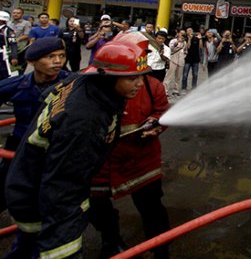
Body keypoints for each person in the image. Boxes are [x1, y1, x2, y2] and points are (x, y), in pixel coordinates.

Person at [4, 41, 151, 259]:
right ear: (106, 76)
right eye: (131, 77)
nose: (140, 84)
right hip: (40, 196)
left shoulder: (81, 81)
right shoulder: (85, 121)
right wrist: (63, 244)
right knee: (50, 249)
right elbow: (62, 187)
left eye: (141, 76)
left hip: (29, 183)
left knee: (26, 248)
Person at [89, 33, 170, 258]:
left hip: (142, 161)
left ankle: (161, 250)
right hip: (101, 163)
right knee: (96, 208)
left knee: (152, 209)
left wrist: (156, 125)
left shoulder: (153, 86)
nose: (136, 81)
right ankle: (111, 241)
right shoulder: (91, 89)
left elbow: (162, 112)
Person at [0, 37, 69, 211]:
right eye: (50, 56)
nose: (58, 61)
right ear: (32, 61)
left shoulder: (73, 84)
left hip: (56, 149)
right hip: (19, 146)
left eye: (61, 56)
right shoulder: (15, 85)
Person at [8, 8, 31, 73]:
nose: (16, 14)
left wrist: (15, 40)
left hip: (20, 49)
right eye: (14, 13)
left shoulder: (26, 23)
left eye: (18, 13)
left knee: (19, 69)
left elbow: (27, 35)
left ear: (22, 14)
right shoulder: (8, 22)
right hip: (8, 49)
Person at [182, 27, 202, 93]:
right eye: (188, 30)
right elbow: (188, 47)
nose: (190, 31)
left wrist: (200, 39)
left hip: (196, 59)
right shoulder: (185, 38)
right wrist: (190, 39)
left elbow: (200, 47)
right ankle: (184, 87)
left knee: (195, 74)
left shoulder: (197, 38)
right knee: (185, 74)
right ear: (186, 32)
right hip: (188, 59)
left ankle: (194, 87)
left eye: (191, 30)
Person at [0, 11, 18, 81]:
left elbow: (13, 44)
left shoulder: (8, 31)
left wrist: (14, 57)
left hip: (2, 54)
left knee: (3, 73)